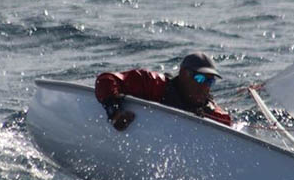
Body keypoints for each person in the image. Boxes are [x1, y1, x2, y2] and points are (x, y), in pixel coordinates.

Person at [94, 52, 232, 131]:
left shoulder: (213, 113)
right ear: (183, 74)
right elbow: (105, 80)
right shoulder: (155, 84)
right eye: (200, 78)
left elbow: (229, 129)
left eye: (210, 81)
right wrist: (114, 112)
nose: (205, 87)